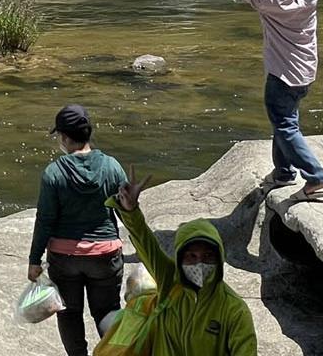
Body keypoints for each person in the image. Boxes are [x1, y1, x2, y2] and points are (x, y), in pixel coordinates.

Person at [204, 0, 323, 199]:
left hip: (282, 74)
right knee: (284, 121)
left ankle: (315, 176)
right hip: (305, 71)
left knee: (285, 125)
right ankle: (283, 173)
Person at [111, 167, 258, 355]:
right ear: (180, 258)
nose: (199, 264)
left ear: (219, 259)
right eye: (192, 256)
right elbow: (147, 245)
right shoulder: (169, 281)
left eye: (207, 257)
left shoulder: (235, 310)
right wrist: (130, 211)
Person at [27, 104, 128, 356]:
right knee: (108, 312)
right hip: (105, 256)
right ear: (88, 133)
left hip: (65, 260)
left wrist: (34, 260)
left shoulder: (54, 174)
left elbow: (45, 220)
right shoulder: (112, 167)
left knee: (70, 314)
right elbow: (128, 212)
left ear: (63, 136)